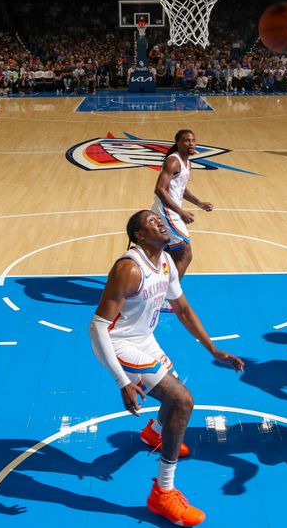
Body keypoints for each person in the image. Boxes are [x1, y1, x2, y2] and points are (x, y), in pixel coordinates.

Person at [89, 210, 244, 526]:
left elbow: (183, 309)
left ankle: (154, 433)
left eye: (158, 219)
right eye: (150, 221)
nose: (159, 222)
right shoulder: (129, 269)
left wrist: (213, 349)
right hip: (119, 342)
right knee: (182, 400)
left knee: (172, 391)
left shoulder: (165, 262)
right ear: (139, 236)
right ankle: (163, 492)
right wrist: (122, 381)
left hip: (143, 338)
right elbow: (97, 327)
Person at [152, 130, 213, 280]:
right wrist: (180, 212)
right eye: (186, 140)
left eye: (193, 140)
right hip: (166, 211)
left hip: (168, 210)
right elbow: (159, 189)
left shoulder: (187, 162)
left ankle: (154, 283)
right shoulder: (173, 162)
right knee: (185, 254)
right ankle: (170, 294)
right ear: (178, 143)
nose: (191, 143)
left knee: (168, 253)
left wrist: (199, 203)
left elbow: (181, 188)